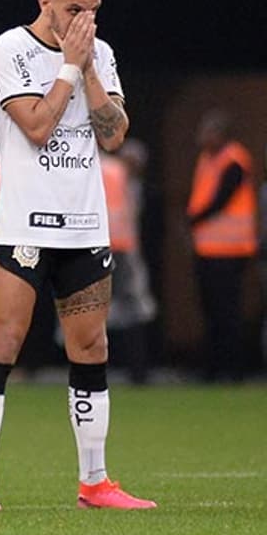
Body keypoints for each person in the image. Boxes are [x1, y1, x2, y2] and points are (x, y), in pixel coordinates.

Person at [0, 0, 155, 511]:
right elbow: (37, 125)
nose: (83, 22)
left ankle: (94, 481)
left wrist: (90, 68)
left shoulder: (102, 53)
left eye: (92, 12)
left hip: (85, 225)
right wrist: (70, 67)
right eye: (74, 10)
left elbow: (114, 135)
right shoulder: (9, 50)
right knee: (2, 343)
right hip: (25, 224)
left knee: (92, 346)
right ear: (45, 2)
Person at [187, 110, 257, 383]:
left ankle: (232, 370)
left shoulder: (234, 161)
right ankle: (214, 368)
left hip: (231, 252)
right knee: (211, 311)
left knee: (227, 312)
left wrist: (192, 220)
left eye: (207, 132)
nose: (201, 137)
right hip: (208, 249)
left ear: (220, 134)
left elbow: (220, 200)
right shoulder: (207, 159)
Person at [102, 141, 156, 385]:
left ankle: (133, 369)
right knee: (128, 310)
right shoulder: (123, 179)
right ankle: (134, 369)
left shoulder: (106, 171)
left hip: (106, 248)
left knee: (117, 310)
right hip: (122, 249)